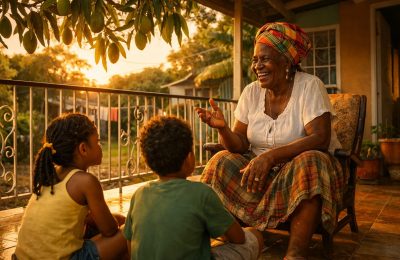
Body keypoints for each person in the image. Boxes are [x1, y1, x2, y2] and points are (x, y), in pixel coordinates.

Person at [195, 22, 346, 259]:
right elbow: (240, 145)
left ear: (286, 61)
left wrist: (270, 157)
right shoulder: (251, 92)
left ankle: (295, 254)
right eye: (255, 60)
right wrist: (223, 129)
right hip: (258, 174)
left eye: (264, 59)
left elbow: (320, 138)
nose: (257, 66)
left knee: (312, 161)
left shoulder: (310, 86)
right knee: (220, 161)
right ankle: (237, 237)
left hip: (299, 173)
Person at [123, 116, 264, 259]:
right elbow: (238, 238)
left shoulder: (139, 194)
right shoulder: (201, 193)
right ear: (189, 158)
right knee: (254, 235)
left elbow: (130, 243)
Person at [15, 113, 128, 260]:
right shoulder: (86, 182)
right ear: (83, 149)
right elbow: (110, 230)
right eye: (98, 141)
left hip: (21, 257)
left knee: (114, 220)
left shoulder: (50, 174)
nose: (101, 146)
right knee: (130, 230)